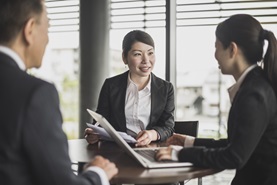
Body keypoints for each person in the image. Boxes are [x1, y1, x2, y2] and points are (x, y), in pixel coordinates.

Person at [0, 0, 118, 185]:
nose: (47, 39)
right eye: (47, 29)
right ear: (29, 29)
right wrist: (98, 174)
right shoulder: (36, 93)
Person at [156, 14, 277, 185]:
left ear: (232, 49)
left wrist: (179, 154)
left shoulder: (254, 93)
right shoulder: (256, 85)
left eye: (217, 47)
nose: (215, 55)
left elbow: (234, 156)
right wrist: (189, 142)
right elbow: (237, 144)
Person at [85, 30, 175, 147]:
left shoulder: (166, 89)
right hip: (116, 150)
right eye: (137, 54)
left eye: (150, 53)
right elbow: (100, 121)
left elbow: (168, 126)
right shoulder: (110, 85)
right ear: (124, 58)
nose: (146, 60)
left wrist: (151, 134)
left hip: (151, 150)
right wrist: (94, 133)